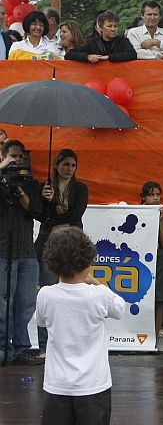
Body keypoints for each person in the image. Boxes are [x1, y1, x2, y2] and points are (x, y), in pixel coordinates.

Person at [36, 228, 126, 425]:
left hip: (58, 384)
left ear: (52, 262)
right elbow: (120, 309)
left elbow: (41, 320)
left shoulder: (47, 295)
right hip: (93, 384)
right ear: (88, 260)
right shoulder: (98, 295)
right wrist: (94, 282)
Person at [35, 149, 89, 357]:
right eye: (65, 164)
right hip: (49, 244)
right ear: (56, 165)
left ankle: (70, 345)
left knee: (73, 294)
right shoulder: (45, 187)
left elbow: (76, 214)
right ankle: (44, 346)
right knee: (48, 293)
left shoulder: (80, 188)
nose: (69, 169)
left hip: (72, 244)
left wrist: (52, 219)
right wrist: (47, 201)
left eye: (73, 165)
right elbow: (40, 216)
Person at [0, 139, 43, 366]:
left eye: (20, 157)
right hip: (3, 251)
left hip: (27, 251)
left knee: (25, 303)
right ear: (4, 156)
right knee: (2, 303)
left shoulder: (30, 184)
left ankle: (20, 349)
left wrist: (17, 187)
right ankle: (1, 349)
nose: (18, 160)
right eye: (13, 156)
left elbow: (35, 210)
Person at [140, 182, 163, 341]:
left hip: (160, 257)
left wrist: (159, 220)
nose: (155, 198)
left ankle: (154, 336)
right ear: (143, 198)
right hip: (140, 259)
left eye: (157, 195)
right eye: (151, 195)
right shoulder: (136, 214)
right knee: (141, 297)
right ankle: (139, 335)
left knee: (159, 299)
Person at [65, 11, 137, 63]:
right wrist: (87, 56)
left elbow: (132, 54)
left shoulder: (123, 41)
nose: (113, 29)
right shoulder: (93, 43)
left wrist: (109, 57)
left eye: (115, 26)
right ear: (101, 28)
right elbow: (69, 54)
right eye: (109, 26)